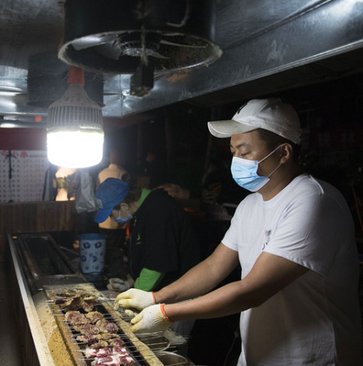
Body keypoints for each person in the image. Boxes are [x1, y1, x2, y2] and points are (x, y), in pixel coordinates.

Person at [114, 98, 363, 365]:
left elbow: (251, 290)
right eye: (233, 152)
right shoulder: (250, 203)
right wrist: (154, 296)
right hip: (258, 354)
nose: (236, 161)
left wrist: (166, 313)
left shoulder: (313, 200)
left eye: (244, 153)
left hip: (311, 357)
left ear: (284, 152)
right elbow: (212, 268)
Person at [95, 178, 201, 293]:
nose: (113, 219)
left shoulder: (159, 210)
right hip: (162, 288)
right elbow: (146, 253)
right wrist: (130, 282)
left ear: (124, 206)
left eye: (111, 214)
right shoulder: (142, 210)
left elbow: (157, 262)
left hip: (182, 289)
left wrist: (135, 293)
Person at [96, 149, 129, 278]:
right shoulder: (123, 174)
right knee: (116, 249)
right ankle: (112, 275)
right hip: (117, 220)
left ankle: (102, 271)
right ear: (121, 158)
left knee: (104, 248)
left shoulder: (101, 173)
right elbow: (125, 199)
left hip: (103, 219)